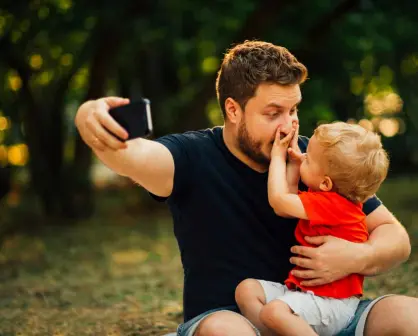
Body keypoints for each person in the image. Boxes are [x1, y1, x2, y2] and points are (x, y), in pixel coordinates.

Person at [75, 41, 415, 335]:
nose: (289, 124)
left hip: (319, 313)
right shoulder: (193, 157)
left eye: (293, 109)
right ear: (233, 110)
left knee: (408, 316)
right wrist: (89, 116)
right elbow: (132, 156)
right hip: (231, 319)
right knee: (226, 331)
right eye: (273, 113)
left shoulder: (317, 160)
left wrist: (357, 256)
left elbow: (394, 237)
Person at [236, 121, 390, 336]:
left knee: (274, 312)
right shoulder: (330, 198)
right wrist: (294, 164)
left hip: (332, 303)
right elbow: (287, 204)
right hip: (307, 295)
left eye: (308, 158)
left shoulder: (334, 205)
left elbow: (279, 201)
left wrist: (278, 156)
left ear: (326, 183)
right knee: (247, 290)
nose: (303, 157)